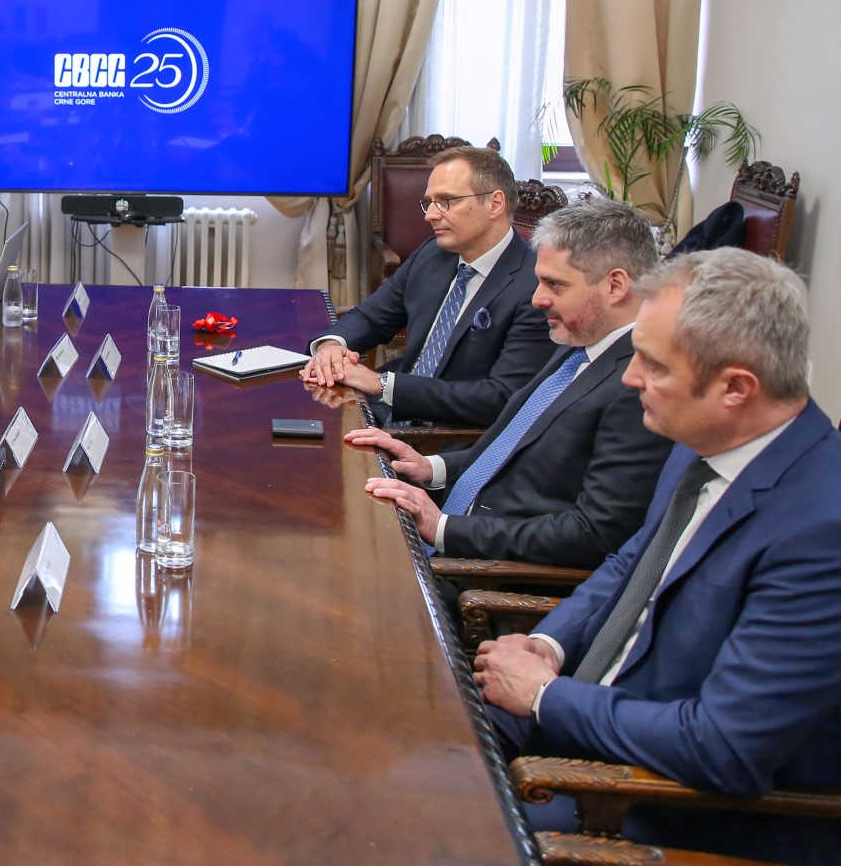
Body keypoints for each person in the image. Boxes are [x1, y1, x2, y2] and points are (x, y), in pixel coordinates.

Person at [475, 248, 841, 864]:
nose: (629, 377)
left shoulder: (821, 531)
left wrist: (545, 697)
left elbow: (724, 747)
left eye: (653, 363)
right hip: (583, 712)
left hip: (655, 808)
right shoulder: (705, 440)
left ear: (735, 388)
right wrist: (549, 644)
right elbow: (634, 561)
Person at [345, 198, 671, 567]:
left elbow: (594, 533)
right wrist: (431, 467)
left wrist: (444, 528)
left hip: (480, 570)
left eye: (555, 285)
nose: (537, 299)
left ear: (615, 285)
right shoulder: (580, 342)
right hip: (452, 525)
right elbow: (512, 449)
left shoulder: (640, 386)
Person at [302, 146, 555, 427]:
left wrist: (381, 383)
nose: (430, 215)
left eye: (446, 200)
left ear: (495, 204)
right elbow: (371, 317)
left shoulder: (537, 287)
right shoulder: (432, 254)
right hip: (383, 410)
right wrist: (331, 347)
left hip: (447, 434)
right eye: (429, 202)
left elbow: (501, 398)